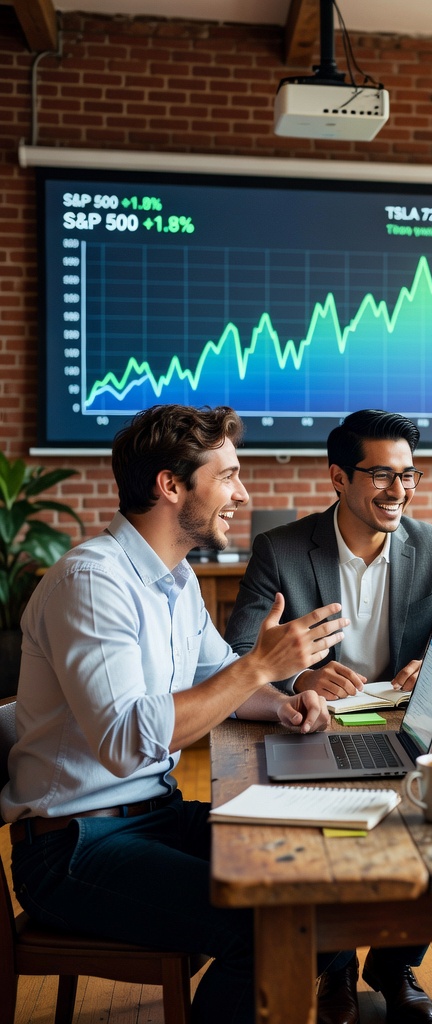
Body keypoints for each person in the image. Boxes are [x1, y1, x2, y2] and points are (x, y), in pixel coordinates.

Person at [0, 404, 358, 1024]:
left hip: (152, 820)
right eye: (228, 476)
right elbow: (124, 742)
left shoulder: (174, 581)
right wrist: (260, 667)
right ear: (171, 486)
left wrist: (282, 704)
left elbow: (215, 679)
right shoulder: (91, 582)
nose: (242, 494)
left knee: (319, 883)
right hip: (74, 848)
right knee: (276, 926)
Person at [225, 408, 432, 1023]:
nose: (400, 491)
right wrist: (298, 674)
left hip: (408, 727)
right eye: (382, 476)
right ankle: (333, 965)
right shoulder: (280, 550)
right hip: (315, 723)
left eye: (409, 476)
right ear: (338, 478)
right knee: (321, 833)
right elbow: (238, 655)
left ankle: (394, 964)